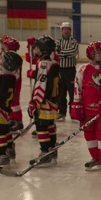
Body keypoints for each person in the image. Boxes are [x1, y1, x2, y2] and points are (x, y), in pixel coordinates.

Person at [72, 41, 101, 171]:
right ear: (90, 54)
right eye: (96, 52)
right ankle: (95, 158)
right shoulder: (82, 69)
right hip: (86, 108)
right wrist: (77, 103)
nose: (100, 55)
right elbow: (78, 87)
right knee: (89, 134)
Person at [28, 35, 62, 167]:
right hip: (52, 102)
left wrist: (34, 102)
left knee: (41, 126)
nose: (34, 49)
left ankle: (45, 154)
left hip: (44, 102)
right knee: (50, 126)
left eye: (37, 47)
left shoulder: (42, 64)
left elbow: (41, 85)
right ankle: (52, 152)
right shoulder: (53, 63)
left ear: (43, 49)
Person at [0, 35, 24, 133]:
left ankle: (18, 122)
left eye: (4, 45)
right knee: (8, 103)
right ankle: (11, 120)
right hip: (6, 83)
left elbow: (15, 74)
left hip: (14, 84)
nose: (2, 46)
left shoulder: (14, 58)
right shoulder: (4, 55)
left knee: (14, 103)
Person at [57, 21, 79, 121]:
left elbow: (73, 52)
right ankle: (62, 112)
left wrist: (61, 53)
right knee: (61, 93)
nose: (66, 31)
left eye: (68, 29)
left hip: (70, 71)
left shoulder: (74, 42)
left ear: (70, 31)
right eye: (64, 29)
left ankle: (73, 112)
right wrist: (65, 54)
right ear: (61, 30)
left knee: (72, 93)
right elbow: (56, 53)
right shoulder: (57, 42)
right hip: (60, 70)